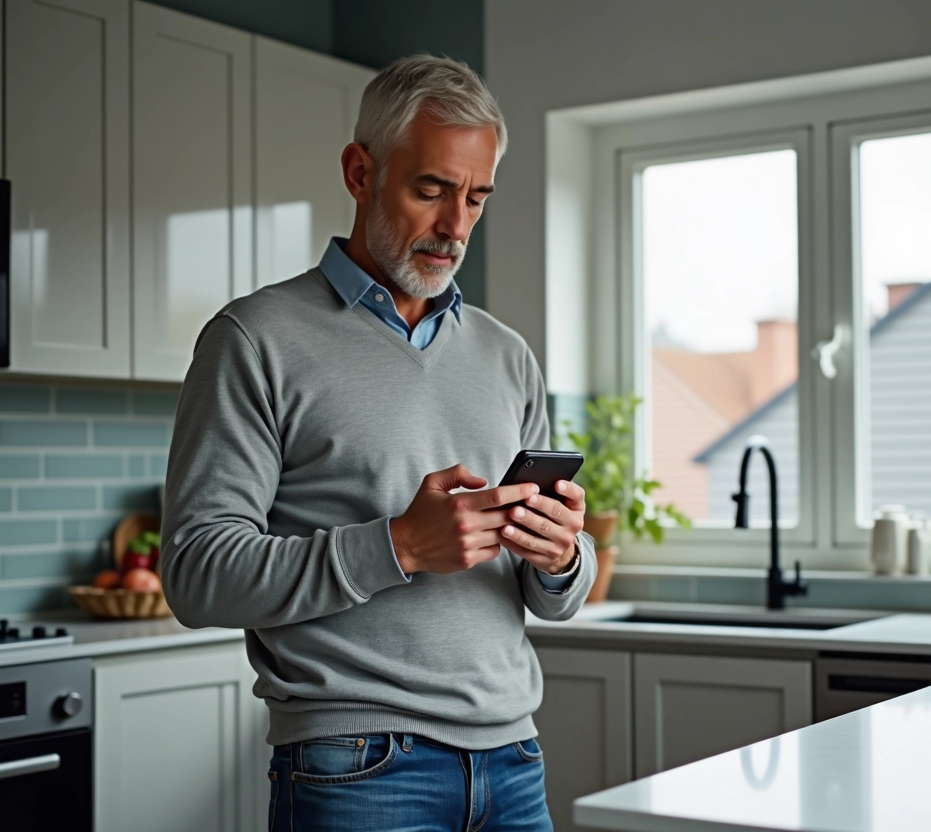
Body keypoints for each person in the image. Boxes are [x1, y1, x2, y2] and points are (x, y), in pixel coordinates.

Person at [160, 54, 595, 832]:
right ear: (360, 172)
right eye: (430, 189)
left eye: (476, 197)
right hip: (357, 766)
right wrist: (398, 544)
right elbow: (197, 576)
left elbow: (548, 594)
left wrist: (561, 555)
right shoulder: (254, 339)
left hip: (514, 760)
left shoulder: (507, 355)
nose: (456, 226)